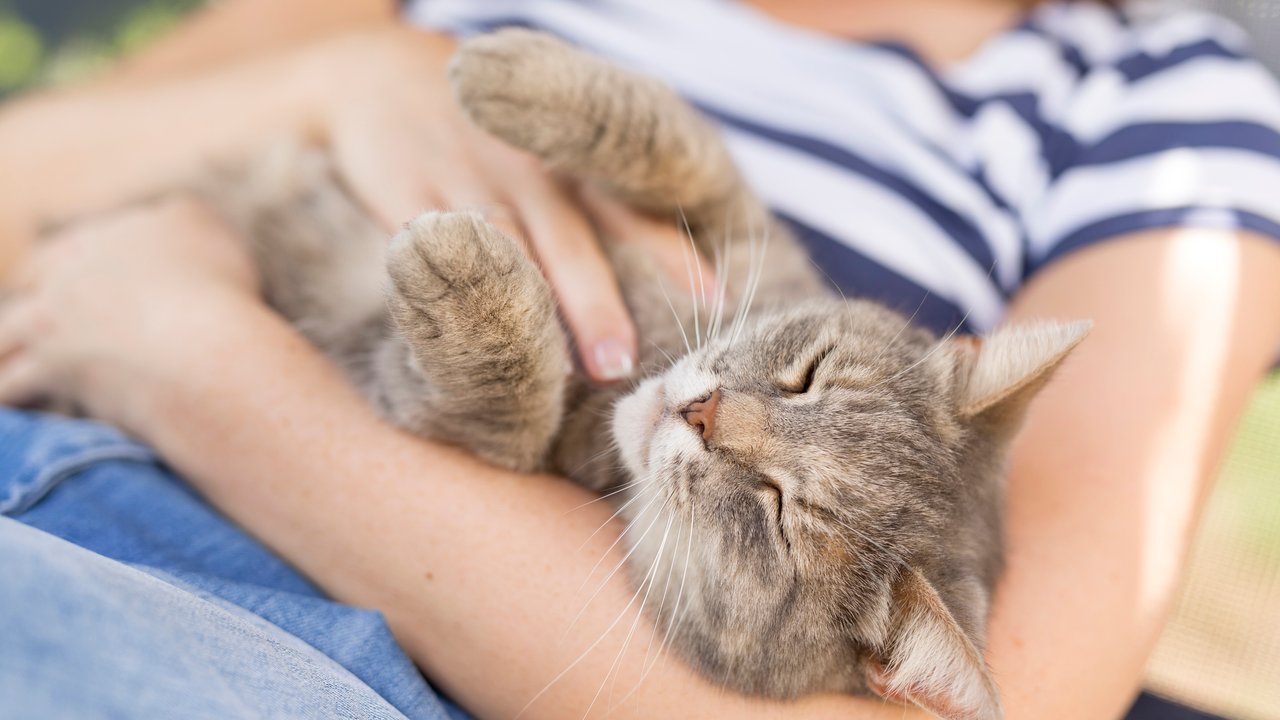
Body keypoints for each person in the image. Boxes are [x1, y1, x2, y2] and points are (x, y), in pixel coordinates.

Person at [2, 0, 1279, 718]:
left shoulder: (1154, 112)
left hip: (295, 644)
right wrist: (342, 74)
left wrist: (197, 367)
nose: (727, 415)